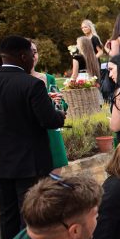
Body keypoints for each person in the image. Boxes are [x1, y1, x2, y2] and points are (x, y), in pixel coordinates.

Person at [0, 36, 65, 239]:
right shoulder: (31, 85)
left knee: (7, 215)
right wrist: (59, 110)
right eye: (32, 53)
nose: (33, 58)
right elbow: (50, 120)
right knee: (31, 214)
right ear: (23, 56)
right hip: (30, 164)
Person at [30, 39, 68, 173]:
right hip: (32, 134)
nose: (33, 55)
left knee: (54, 183)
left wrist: (59, 103)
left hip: (52, 133)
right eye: (30, 52)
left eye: (35, 52)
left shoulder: (49, 78)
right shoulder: (19, 80)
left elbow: (62, 105)